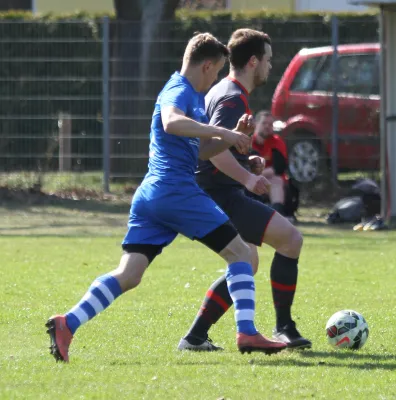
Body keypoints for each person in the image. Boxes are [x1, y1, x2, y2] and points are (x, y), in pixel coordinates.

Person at [45, 33, 287, 362]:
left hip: (152, 195)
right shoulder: (179, 90)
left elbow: (201, 149)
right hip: (176, 190)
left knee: (129, 274)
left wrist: (235, 139)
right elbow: (171, 122)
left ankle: (67, 323)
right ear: (205, 66)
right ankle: (247, 332)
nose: (215, 78)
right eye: (215, 71)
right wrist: (223, 131)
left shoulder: (194, 99)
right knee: (242, 254)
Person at [178, 29, 311, 352]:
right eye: (267, 60)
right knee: (291, 240)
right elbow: (216, 151)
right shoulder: (233, 98)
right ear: (253, 62)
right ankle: (284, 328)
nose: (270, 66)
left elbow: (216, 143)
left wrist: (246, 159)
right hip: (221, 194)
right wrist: (247, 178)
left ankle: (195, 337)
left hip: (214, 192)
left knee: (246, 263)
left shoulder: (222, 90)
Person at [251, 110, 299, 222]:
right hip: (250, 180)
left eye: (270, 124)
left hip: (271, 184)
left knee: (276, 180)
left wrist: (260, 174)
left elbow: (279, 167)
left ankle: (278, 215)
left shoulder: (276, 142)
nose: (267, 127)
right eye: (264, 123)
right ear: (256, 124)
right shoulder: (248, 142)